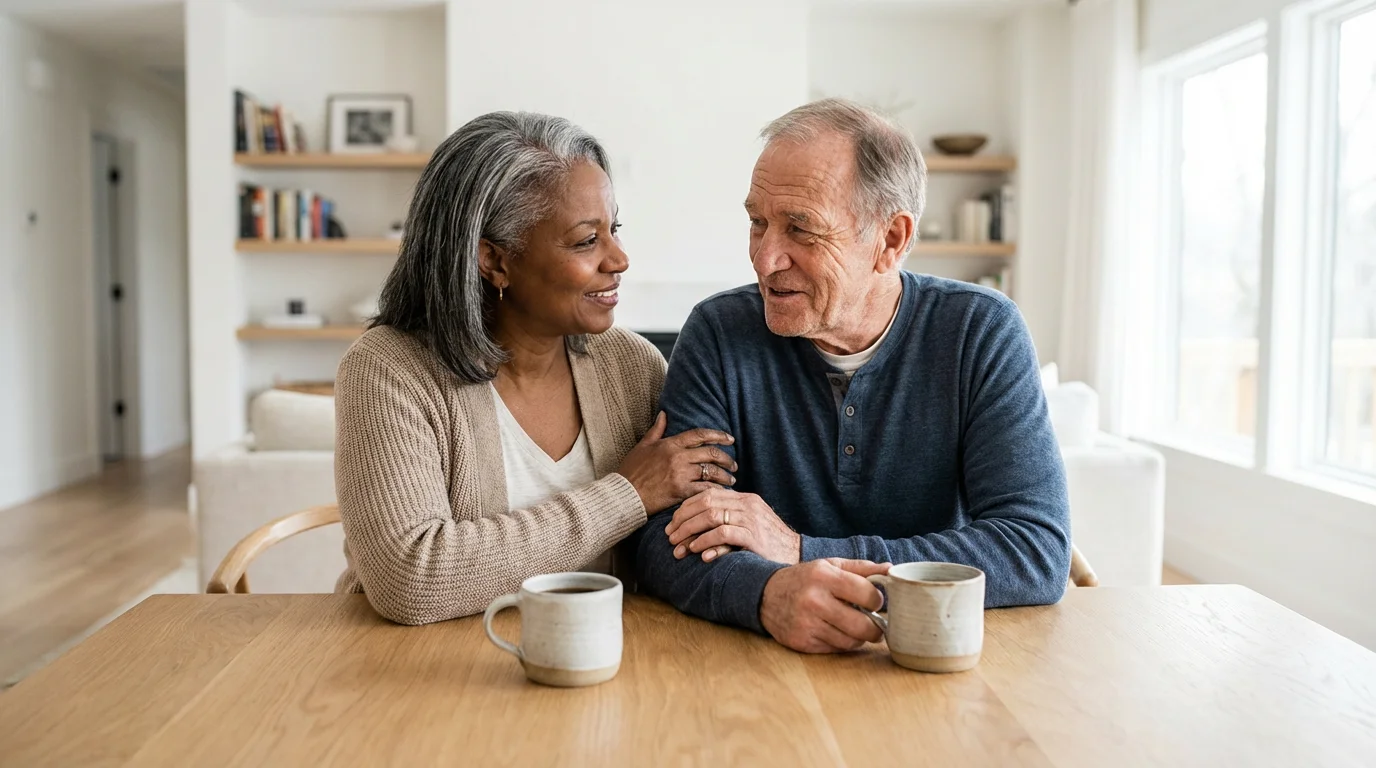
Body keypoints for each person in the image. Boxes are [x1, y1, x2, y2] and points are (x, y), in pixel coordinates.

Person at [635, 99, 1071, 653]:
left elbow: (1033, 550)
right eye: (758, 223)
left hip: (928, 653)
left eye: (801, 229)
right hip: (762, 666)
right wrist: (768, 593)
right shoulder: (719, 333)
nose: (765, 258)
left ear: (890, 241)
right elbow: (666, 539)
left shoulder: (979, 332)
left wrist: (801, 553)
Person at [334, 112, 737, 625]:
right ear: (494, 261)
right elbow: (412, 578)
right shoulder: (388, 372)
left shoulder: (632, 366)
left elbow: (693, 534)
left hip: (601, 655)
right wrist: (627, 494)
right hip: (416, 671)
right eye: (586, 240)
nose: (620, 258)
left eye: (613, 230)